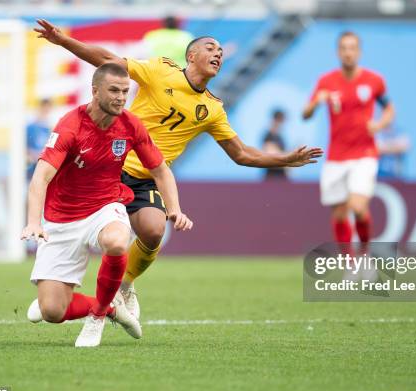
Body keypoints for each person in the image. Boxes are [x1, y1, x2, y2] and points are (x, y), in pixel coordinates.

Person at [34, 19, 323, 319]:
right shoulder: (161, 71)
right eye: (211, 47)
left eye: (222, 51)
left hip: (149, 177)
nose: (219, 53)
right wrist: (63, 41)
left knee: (154, 229)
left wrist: (285, 160)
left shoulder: (212, 109)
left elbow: (241, 153)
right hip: (111, 167)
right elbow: (109, 62)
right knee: (95, 234)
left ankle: (124, 286)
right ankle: (56, 294)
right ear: (191, 56)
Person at [21, 63, 193, 348]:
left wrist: (174, 208)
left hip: (106, 205)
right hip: (61, 217)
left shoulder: (130, 124)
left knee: (116, 241)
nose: (121, 97)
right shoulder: (70, 125)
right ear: (94, 91)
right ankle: (112, 307)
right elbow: (41, 177)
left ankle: (97, 317)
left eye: (125, 91)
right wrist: (33, 222)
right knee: (52, 311)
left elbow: (161, 170)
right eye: (114, 90)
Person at [302, 31, 394, 252]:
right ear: (338, 52)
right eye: (344, 48)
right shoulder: (326, 81)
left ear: (359, 52)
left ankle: (364, 254)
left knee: (358, 206)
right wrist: (316, 102)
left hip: (365, 153)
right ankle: (349, 264)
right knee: (339, 213)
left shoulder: (374, 81)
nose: (348, 53)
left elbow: (389, 108)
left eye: (352, 48)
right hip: (336, 156)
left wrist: (379, 125)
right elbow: (305, 114)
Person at [26, 99, 53, 180]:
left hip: (44, 163)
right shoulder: (31, 127)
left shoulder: (50, 128)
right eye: (44, 108)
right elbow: (25, 145)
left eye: (48, 109)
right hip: (32, 163)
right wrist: (31, 155)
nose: (46, 111)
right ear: (40, 108)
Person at [262, 109, 288, 180]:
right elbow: (271, 156)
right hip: (272, 177)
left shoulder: (280, 137)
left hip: (282, 177)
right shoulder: (268, 136)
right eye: (281, 120)